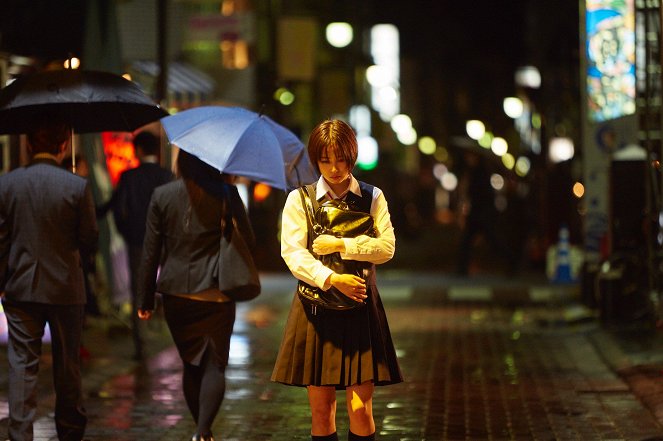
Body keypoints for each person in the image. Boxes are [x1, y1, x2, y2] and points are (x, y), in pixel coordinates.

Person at [272, 119, 402, 441]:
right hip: (316, 310)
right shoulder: (299, 200)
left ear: (352, 156)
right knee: (321, 409)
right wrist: (332, 279)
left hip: (360, 308)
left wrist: (343, 244)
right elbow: (294, 255)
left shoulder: (372, 198)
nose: (333, 167)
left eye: (340, 158)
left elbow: (386, 249)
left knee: (361, 408)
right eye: (325, 159)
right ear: (315, 159)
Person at [138, 150, 252, 441]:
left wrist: (145, 299)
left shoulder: (162, 195)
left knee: (191, 362)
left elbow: (150, 252)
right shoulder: (227, 193)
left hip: (176, 294)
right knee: (214, 363)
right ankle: (202, 432)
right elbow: (249, 239)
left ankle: (202, 430)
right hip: (216, 292)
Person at [0, 113, 98, 441]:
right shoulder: (77, 185)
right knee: (67, 367)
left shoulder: (8, 183)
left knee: (21, 367)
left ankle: (20, 433)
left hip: (21, 287)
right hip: (66, 288)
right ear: (64, 144)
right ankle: (70, 431)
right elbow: (89, 239)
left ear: (28, 145)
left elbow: (1, 238)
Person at [97, 131, 173, 359]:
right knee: (167, 285)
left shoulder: (129, 177)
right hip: (165, 242)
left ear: (138, 150)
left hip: (138, 241)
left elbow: (117, 209)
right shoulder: (167, 175)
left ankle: (141, 343)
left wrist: (126, 232)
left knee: (138, 291)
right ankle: (167, 328)